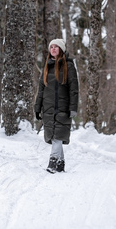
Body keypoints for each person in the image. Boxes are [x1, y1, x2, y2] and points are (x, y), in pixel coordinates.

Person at [34, 38, 79, 173]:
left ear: (61, 49)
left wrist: (73, 108)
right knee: (53, 136)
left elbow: (74, 89)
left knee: (58, 135)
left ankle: (53, 163)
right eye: (51, 47)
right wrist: (37, 107)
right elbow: (41, 89)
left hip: (63, 107)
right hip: (48, 108)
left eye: (56, 47)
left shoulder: (69, 66)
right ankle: (60, 164)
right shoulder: (47, 66)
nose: (53, 49)